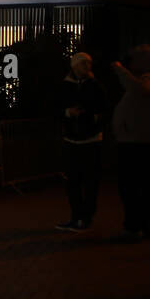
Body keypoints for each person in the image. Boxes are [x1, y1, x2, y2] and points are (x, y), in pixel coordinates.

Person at [110, 44, 150, 241]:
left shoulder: (148, 80)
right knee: (140, 186)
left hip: (137, 142)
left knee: (133, 187)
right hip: (140, 140)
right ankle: (140, 226)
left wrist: (120, 70)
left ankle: (134, 227)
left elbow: (139, 89)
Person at [56, 53, 108, 232]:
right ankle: (78, 216)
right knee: (74, 181)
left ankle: (83, 217)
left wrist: (81, 116)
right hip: (75, 138)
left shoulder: (94, 86)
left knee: (88, 181)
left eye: (88, 63)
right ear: (74, 66)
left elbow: (103, 109)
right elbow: (56, 106)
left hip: (88, 139)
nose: (87, 67)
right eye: (83, 64)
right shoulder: (68, 86)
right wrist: (69, 113)